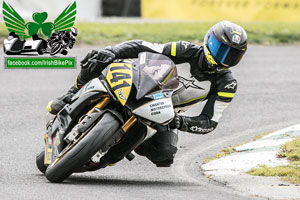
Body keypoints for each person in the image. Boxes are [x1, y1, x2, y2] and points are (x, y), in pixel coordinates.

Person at [47, 21, 247, 167]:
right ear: (209, 41)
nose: (223, 58)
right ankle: (71, 93)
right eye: (220, 49)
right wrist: (114, 51)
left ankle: (118, 147)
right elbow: (143, 46)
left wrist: (179, 122)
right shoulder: (186, 50)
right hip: (142, 86)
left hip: (164, 115)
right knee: (98, 58)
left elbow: (209, 122)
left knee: (165, 155)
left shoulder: (226, 84)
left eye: (231, 54)